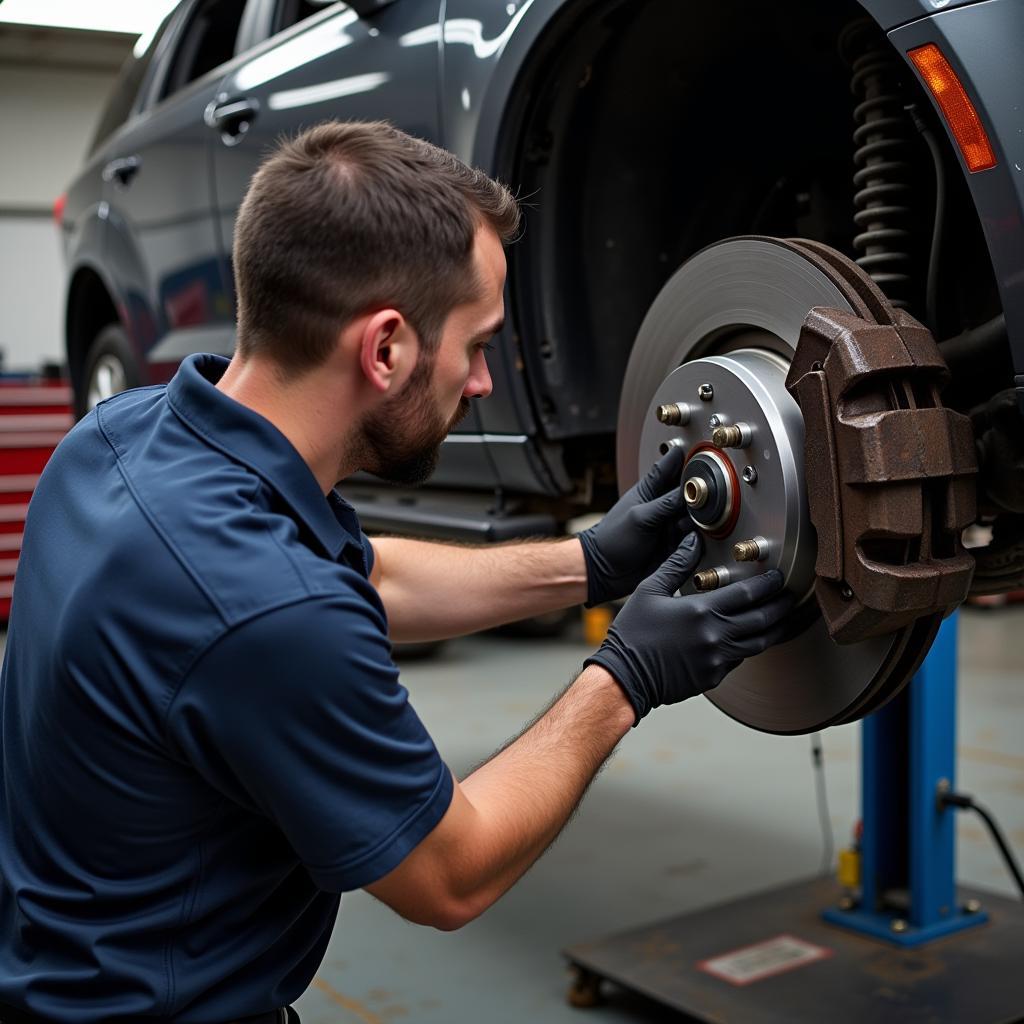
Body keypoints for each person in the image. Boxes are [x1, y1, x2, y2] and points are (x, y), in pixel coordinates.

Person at [0, 121, 791, 1023]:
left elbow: (368, 582)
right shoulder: (268, 613)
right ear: (385, 350)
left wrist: (591, 564)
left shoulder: (114, 439)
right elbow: (449, 874)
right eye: (478, 343)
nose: (485, 381)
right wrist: (627, 678)